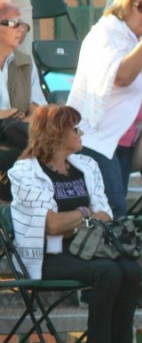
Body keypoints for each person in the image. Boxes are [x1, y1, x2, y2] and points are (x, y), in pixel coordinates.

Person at [8, 105, 142, 343]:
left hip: (86, 248)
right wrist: (85, 213)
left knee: (131, 268)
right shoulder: (24, 172)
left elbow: (105, 214)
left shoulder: (86, 165)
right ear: (57, 134)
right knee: (108, 272)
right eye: (75, 129)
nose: (81, 134)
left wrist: (77, 219)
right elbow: (53, 226)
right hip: (46, 256)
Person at [67, 0, 142, 218]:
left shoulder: (133, 38)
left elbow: (131, 82)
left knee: (114, 211)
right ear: (125, 5)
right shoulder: (105, 34)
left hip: (122, 142)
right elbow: (122, 77)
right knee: (114, 211)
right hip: (96, 139)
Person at [0, 1, 46, 202]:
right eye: (13, 23)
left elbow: (37, 106)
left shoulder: (25, 62)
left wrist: (29, 117)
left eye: (22, 23)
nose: (21, 29)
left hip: (16, 134)